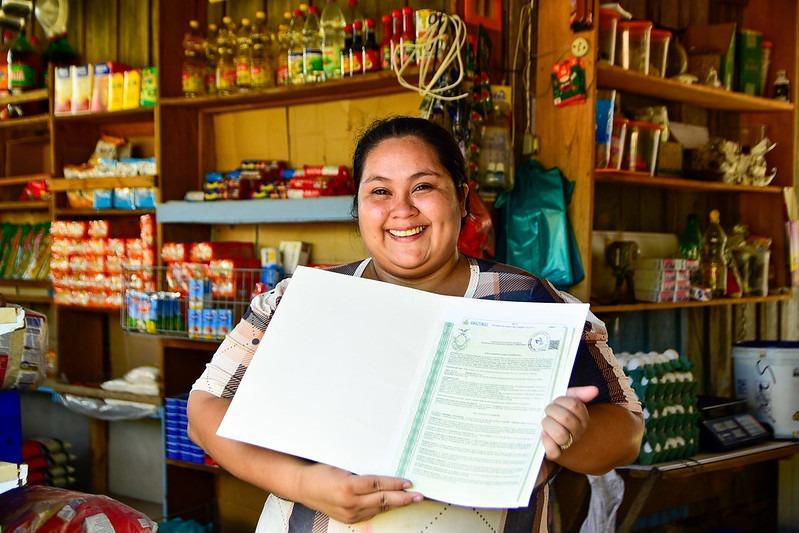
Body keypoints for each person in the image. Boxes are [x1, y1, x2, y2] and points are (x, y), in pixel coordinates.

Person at [187, 116, 644, 532]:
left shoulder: (528, 303)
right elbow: (205, 408)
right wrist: (304, 484)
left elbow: (626, 433)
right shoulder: (303, 299)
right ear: (358, 207)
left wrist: (573, 435)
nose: (401, 209)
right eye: (380, 191)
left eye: (423, 186)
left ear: (461, 198)